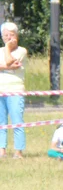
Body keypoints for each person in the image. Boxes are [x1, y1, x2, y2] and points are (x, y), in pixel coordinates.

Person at [0, 22, 28, 158]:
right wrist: (8, 66)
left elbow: (11, 62)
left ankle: (18, 151)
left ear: (17, 35)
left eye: (11, 34)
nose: (8, 37)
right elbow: (9, 64)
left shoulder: (21, 51)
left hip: (15, 89)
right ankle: (2, 150)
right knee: (1, 122)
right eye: (5, 35)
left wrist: (7, 48)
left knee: (17, 120)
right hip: (1, 90)